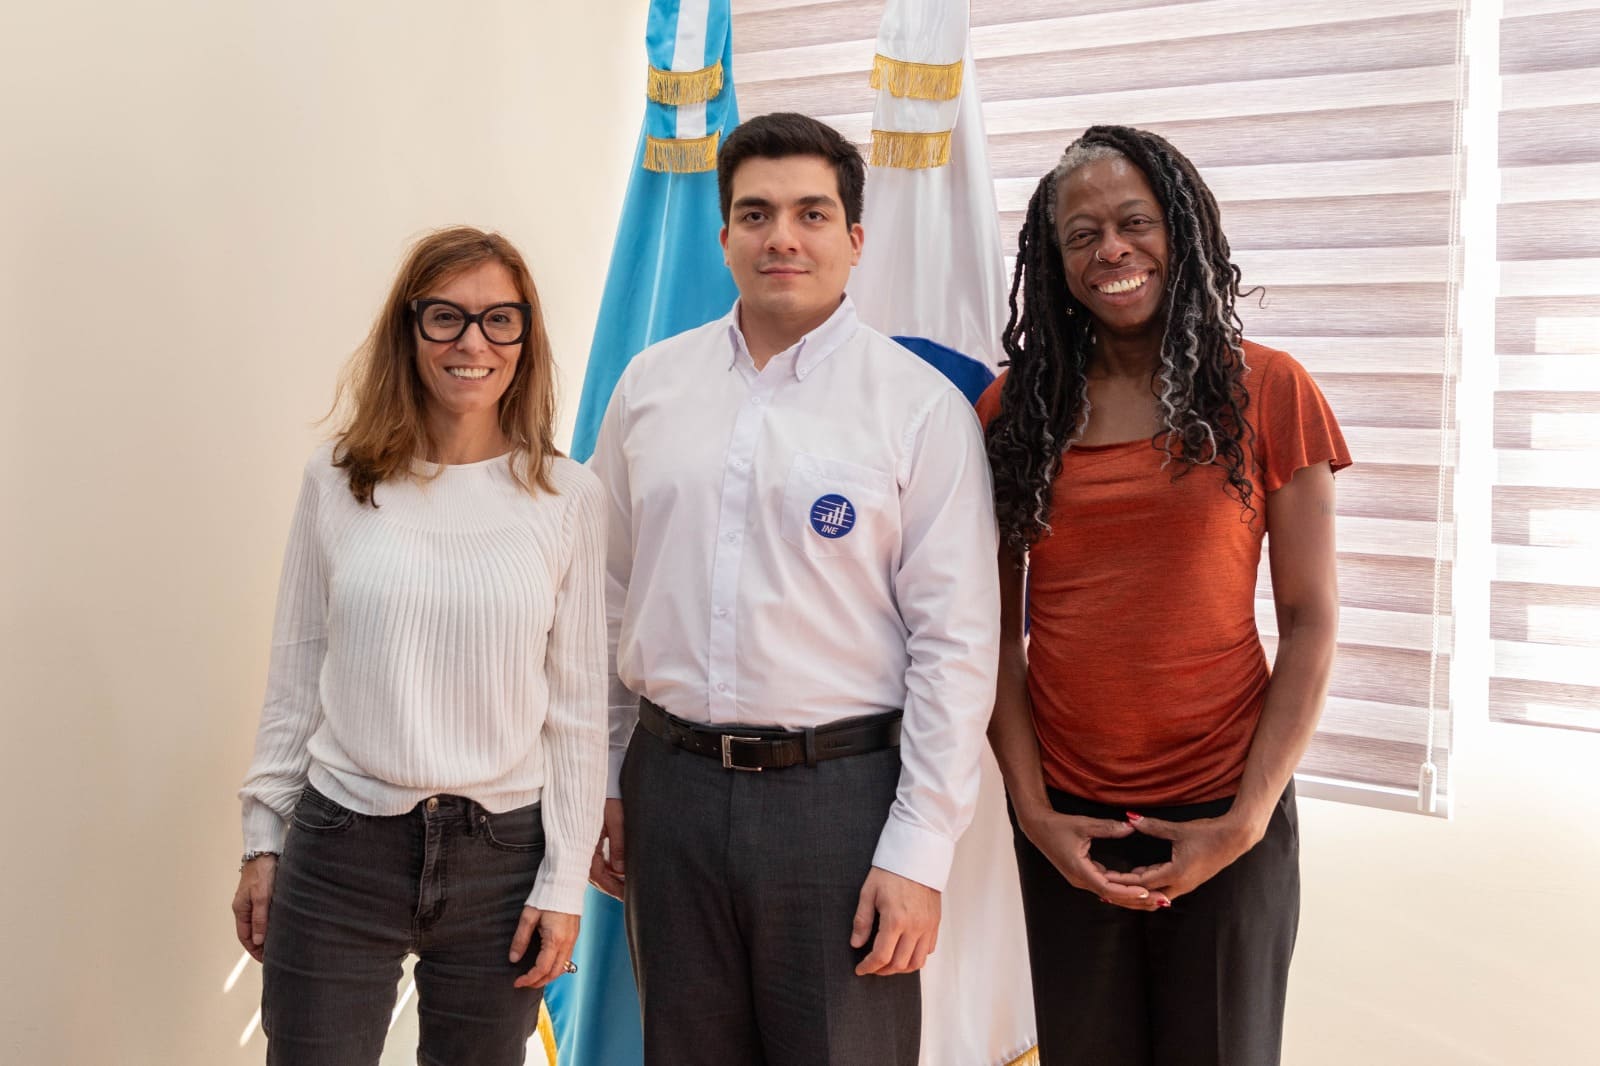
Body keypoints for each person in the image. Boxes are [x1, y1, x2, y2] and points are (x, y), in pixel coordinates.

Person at [586, 112, 1000, 1065]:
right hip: (669, 792)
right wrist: (605, 779)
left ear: (855, 238)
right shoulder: (649, 389)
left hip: (840, 804)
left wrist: (918, 850)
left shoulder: (919, 408)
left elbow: (956, 645)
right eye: (756, 213)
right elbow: (605, 597)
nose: (782, 237)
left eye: (811, 214)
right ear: (723, 235)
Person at [978, 125, 1351, 1066]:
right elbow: (991, 637)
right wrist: (1033, 812)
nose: (1112, 249)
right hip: (1070, 823)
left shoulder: (1268, 389)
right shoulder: (1014, 415)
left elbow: (1311, 621)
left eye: (1135, 222)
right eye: (1083, 234)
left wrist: (1247, 819)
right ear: (1054, 261)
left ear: (1179, 231)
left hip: (1228, 812)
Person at [230, 226, 608, 1065]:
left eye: (499, 319)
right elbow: (296, 673)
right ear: (409, 330)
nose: (473, 343)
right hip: (341, 845)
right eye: (446, 317)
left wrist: (563, 883)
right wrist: (262, 839)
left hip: (503, 860)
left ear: (526, 337)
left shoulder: (568, 496)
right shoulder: (338, 480)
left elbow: (581, 712)